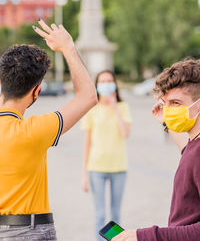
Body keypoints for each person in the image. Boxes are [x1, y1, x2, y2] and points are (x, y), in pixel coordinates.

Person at [0, 19, 97, 240]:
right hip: (29, 230)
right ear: (37, 91)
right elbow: (88, 96)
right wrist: (68, 48)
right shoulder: (34, 130)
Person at [113, 59, 200, 241]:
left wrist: (142, 236)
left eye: (176, 103)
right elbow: (187, 152)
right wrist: (167, 123)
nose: (169, 109)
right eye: (165, 103)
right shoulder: (194, 144)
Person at [81, 70, 132, 241]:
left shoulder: (123, 107)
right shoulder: (91, 109)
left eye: (109, 80)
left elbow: (125, 133)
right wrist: (84, 175)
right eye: (102, 81)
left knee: (116, 214)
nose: (106, 83)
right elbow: (87, 143)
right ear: (97, 85)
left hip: (119, 167)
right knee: (100, 214)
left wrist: (115, 107)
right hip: (96, 168)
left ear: (115, 84)